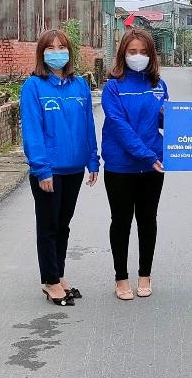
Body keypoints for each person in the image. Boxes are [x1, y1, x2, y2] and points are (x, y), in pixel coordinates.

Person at [20, 29, 99, 306]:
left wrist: (93, 160)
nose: (57, 52)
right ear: (42, 53)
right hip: (49, 171)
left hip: (75, 169)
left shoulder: (80, 86)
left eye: (62, 47)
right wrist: (42, 169)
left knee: (63, 225)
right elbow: (32, 131)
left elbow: (88, 125)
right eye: (50, 47)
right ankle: (50, 281)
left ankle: (59, 274)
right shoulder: (33, 87)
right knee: (48, 226)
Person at [101, 28, 168, 301]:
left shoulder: (159, 85)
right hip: (121, 167)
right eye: (132, 52)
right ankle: (121, 278)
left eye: (143, 52)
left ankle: (145, 275)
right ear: (123, 54)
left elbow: (169, 123)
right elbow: (119, 126)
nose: (138, 57)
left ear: (151, 55)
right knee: (121, 221)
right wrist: (148, 155)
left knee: (147, 221)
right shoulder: (113, 87)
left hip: (153, 168)